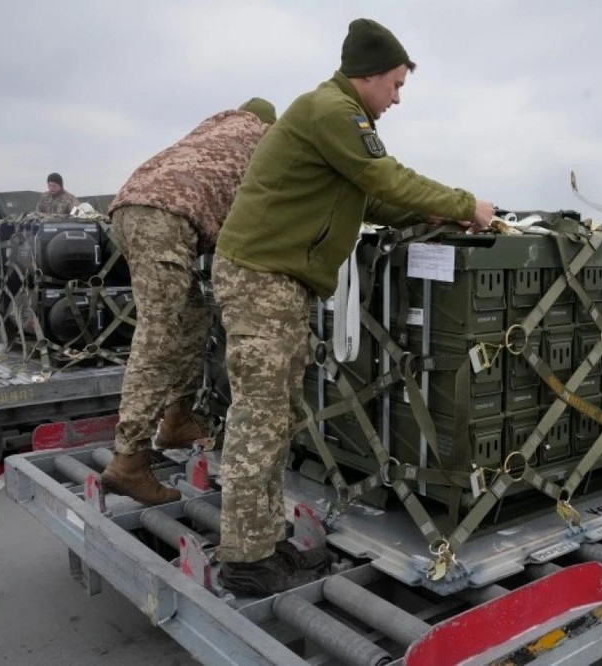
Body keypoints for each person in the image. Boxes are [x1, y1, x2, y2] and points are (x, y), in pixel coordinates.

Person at [212, 18, 496, 596]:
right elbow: (384, 177)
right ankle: (244, 558)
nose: (398, 98)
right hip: (261, 279)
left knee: (278, 417)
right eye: (396, 84)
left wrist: (438, 215)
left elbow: (373, 202)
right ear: (369, 75)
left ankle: (263, 540)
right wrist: (466, 202)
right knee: (259, 420)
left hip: (278, 282)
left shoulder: (336, 118)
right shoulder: (331, 111)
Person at [100, 98, 277, 506]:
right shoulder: (263, 139)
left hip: (132, 208)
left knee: (193, 317)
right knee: (158, 336)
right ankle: (129, 460)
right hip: (164, 217)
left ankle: (177, 419)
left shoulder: (216, 128)